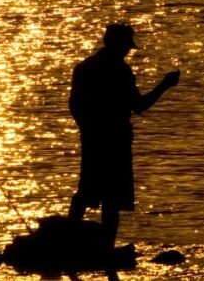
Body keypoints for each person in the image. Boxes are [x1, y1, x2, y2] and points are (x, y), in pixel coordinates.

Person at [68, 23, 180, 249]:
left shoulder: (84, 67)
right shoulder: (120, 70)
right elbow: (139, 105)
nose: (128, 51)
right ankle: (107, 249)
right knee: (112, 198)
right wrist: (165, 85)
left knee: (86, 189)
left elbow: (74, 106)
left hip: (91, 139)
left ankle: (65, 242)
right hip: (116, 141)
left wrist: (87, 128)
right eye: (127, 46)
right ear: (120, 45)